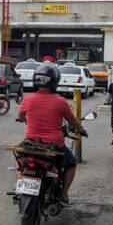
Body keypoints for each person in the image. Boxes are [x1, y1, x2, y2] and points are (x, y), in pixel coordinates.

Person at [17, 63, 86, 202]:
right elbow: (72, 121)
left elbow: (20, 116)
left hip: (30, 143)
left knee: (19, 163)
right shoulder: (60, 101)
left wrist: (23, 119)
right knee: (71, 163)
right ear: (55, 81)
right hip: (54, 145)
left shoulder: (27, 98)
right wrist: (81, 130)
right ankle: (64, 193)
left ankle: (20, 188)